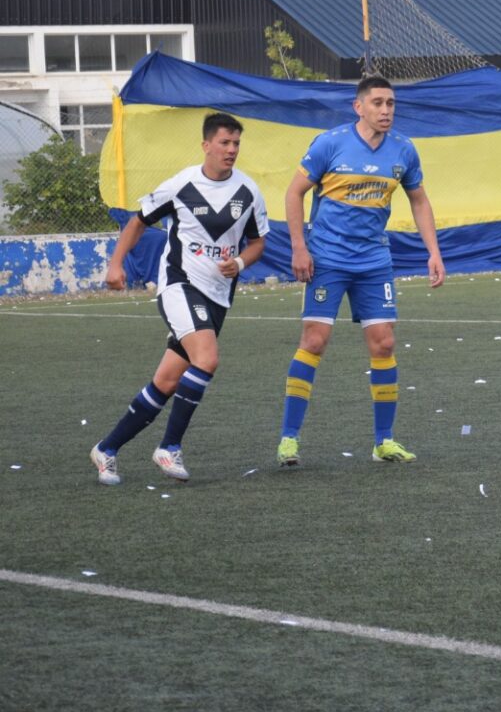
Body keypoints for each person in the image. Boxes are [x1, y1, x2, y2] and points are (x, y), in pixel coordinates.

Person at [90, 113, 268, 485]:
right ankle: (169, 447)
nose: (232, 150)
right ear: (206, 145)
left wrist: (239, 262)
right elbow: (138, 221)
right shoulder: (181, 185)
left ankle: (106, 449)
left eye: (236, 143)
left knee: (167, 382)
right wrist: (116, 264)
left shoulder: (249, 192)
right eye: (224, 143)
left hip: (217, 297)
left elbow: (258, 243)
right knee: (207, 358)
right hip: (179, 285)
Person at [276, 76, 445, 466]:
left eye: (390, 104)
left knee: (384, 343)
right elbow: (293, 193)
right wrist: (299, 247)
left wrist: (433, 252)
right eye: (378, 103)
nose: (386, 110)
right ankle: (289, 438)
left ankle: (383, 441)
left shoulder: (404, 150)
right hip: (327, 259)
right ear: (359, 107)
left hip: (374, 261)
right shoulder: (329, 144)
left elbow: (419, 201)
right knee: (314, 341)